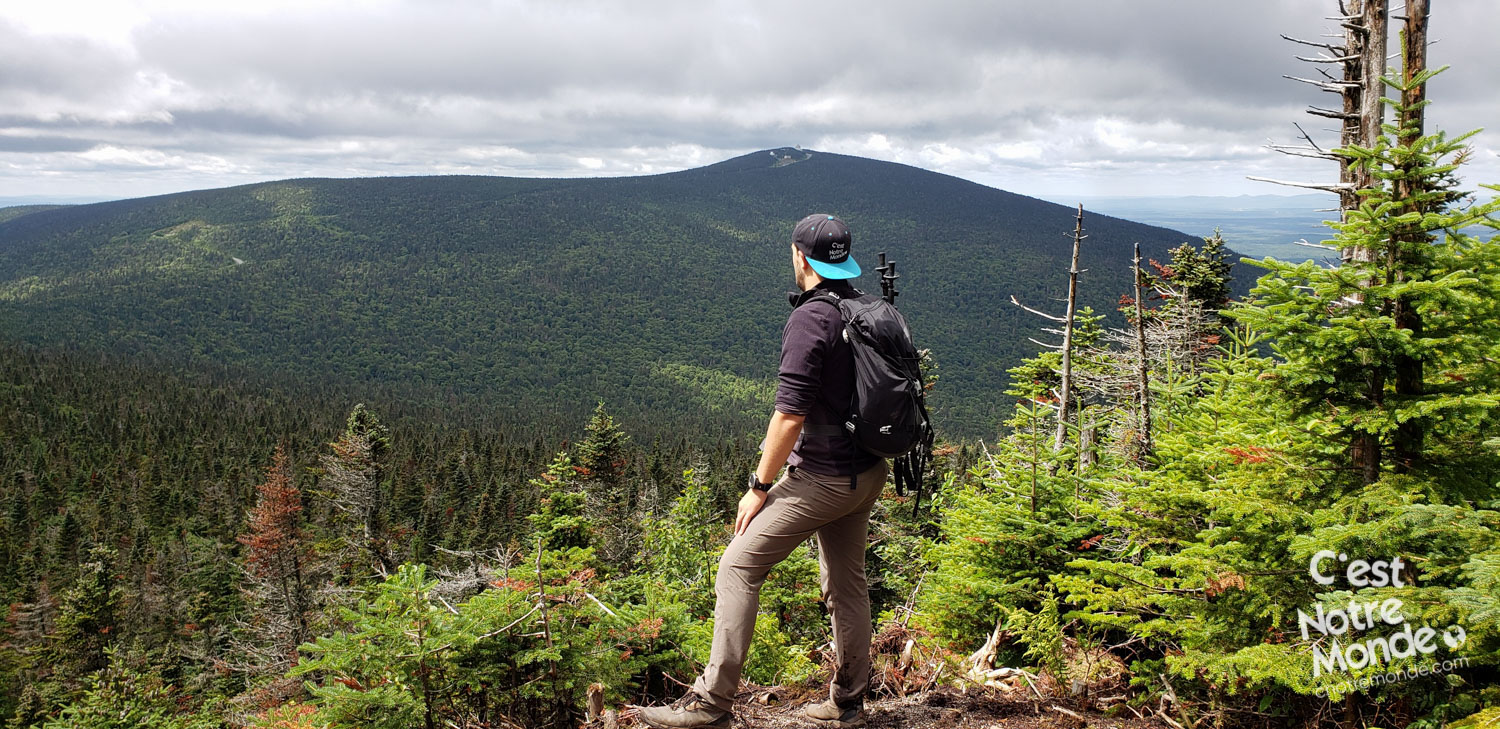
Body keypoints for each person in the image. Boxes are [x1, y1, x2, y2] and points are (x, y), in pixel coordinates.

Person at [637, 214, 888, 729]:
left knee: (737, 566)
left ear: (800, 257)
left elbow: (790, 415)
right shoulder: (868, 307)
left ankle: (712, 704)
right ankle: (849, 704)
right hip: (867, 473)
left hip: (822, 478)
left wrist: (758, 487)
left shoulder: (811, 318)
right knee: (847, 584)